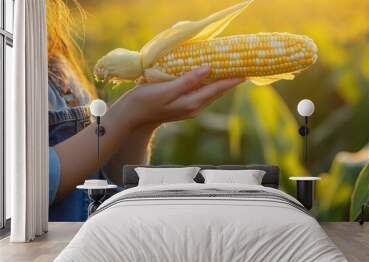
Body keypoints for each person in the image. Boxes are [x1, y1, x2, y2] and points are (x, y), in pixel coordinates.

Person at [47, 0, 243, 221]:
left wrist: (141, 123)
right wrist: (128, 111)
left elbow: (108, 176)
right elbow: (34, 182)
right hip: (52, 249)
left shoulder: (53, 51)